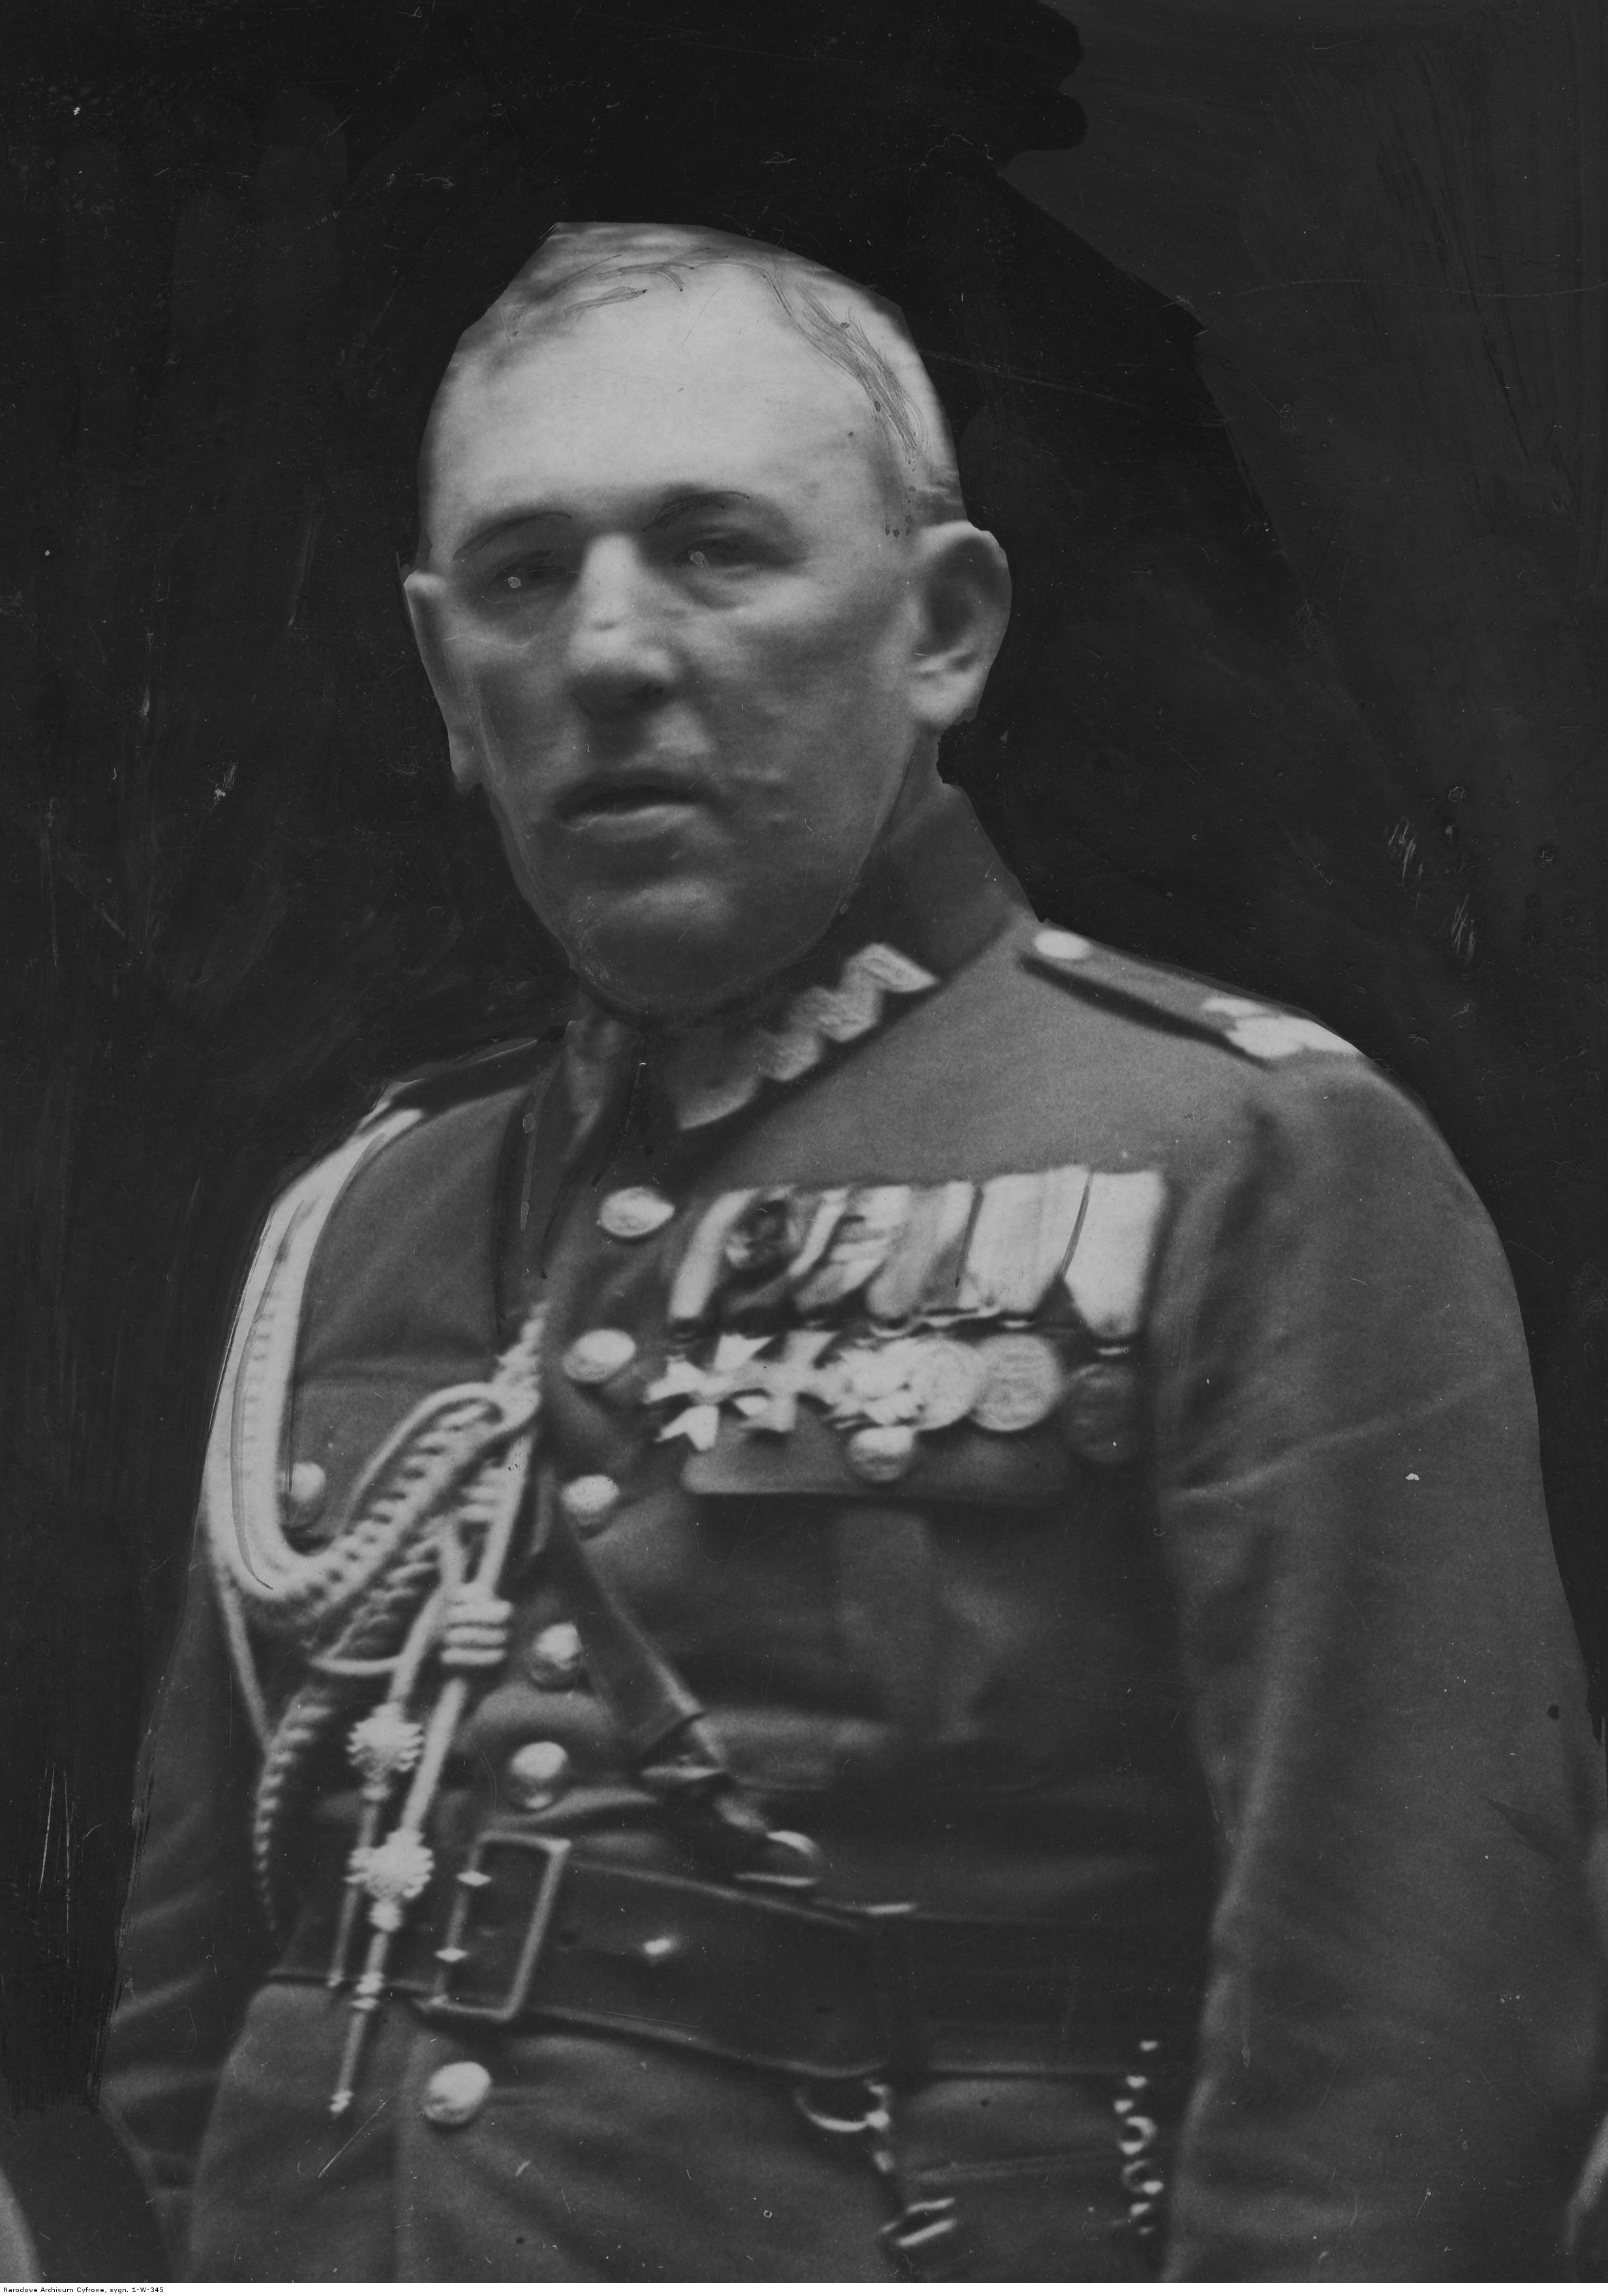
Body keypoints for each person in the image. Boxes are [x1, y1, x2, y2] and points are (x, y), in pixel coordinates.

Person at [103, 220, 1605, 2281]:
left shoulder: (1241, 1158)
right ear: (450, 680)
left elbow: (1410, 2051)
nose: (607, 651)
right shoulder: (363, 1217)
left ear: (944, 629)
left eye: (714, 548)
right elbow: (193, 2011)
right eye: (524, 575)